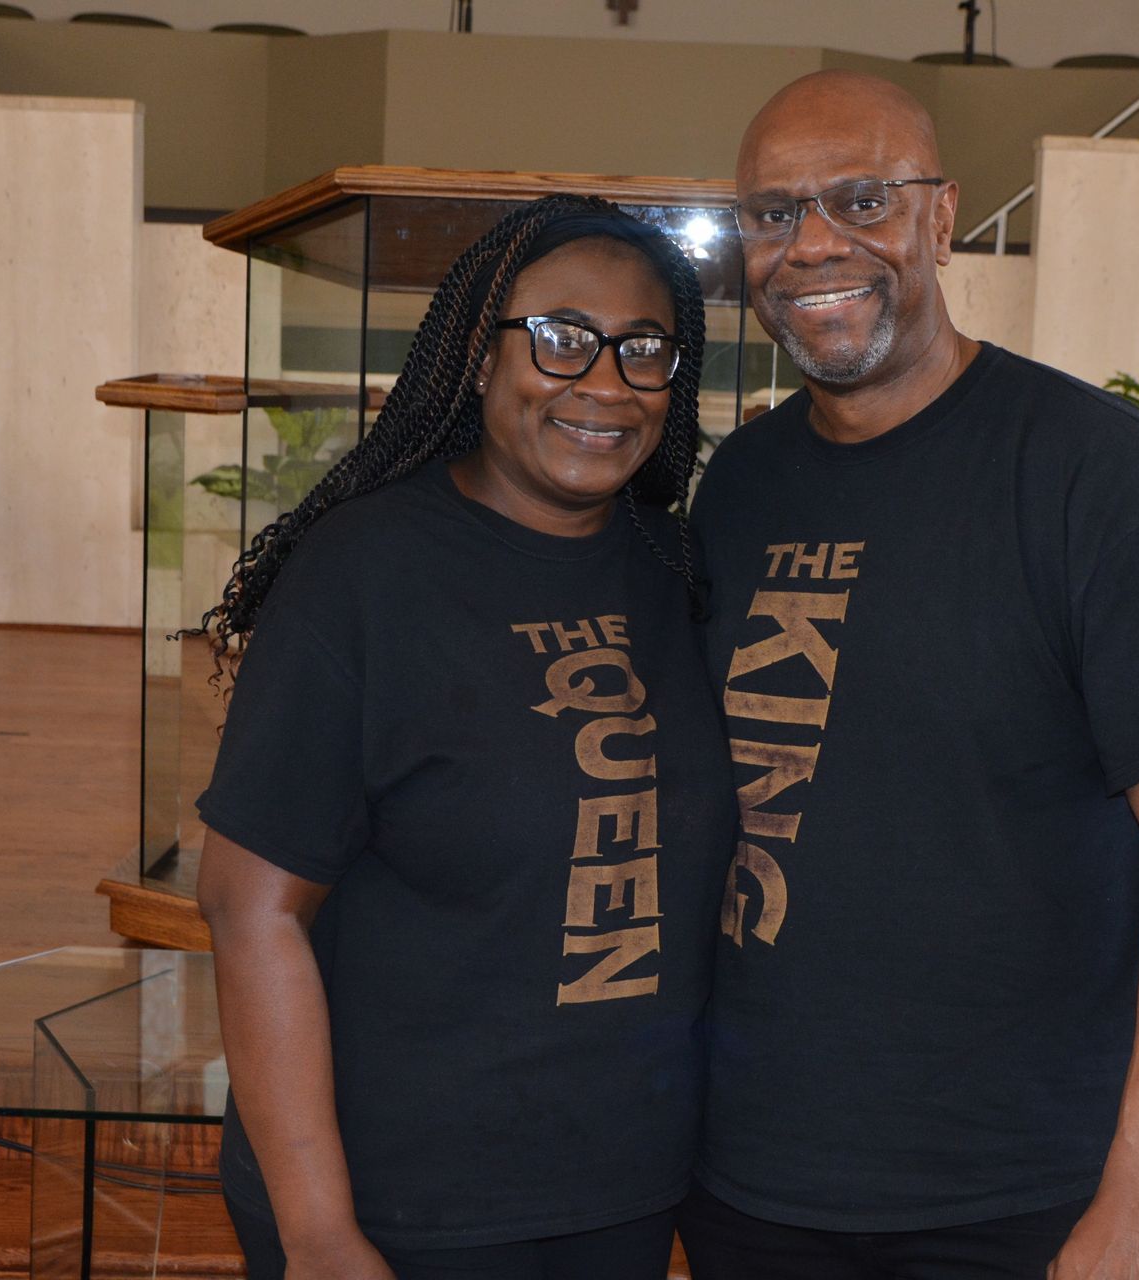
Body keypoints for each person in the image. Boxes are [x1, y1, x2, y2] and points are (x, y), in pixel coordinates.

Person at [675, 71, 1139, 1280]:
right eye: (774, 213)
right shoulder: (738, 484)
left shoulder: (1099, 476)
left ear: (944, 216)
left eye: (862, 199)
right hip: (750, 1181)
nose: (814, 244)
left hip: (1011, 1195)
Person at [192, 195, 734, 1280]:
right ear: (480, 357)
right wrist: (319, 1230)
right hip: (399, 1205)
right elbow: (251, 911)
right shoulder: (364, 574)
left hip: (618, 1192)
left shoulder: (672, 569)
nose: (605, 382)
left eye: (643, 349)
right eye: (562, 337)